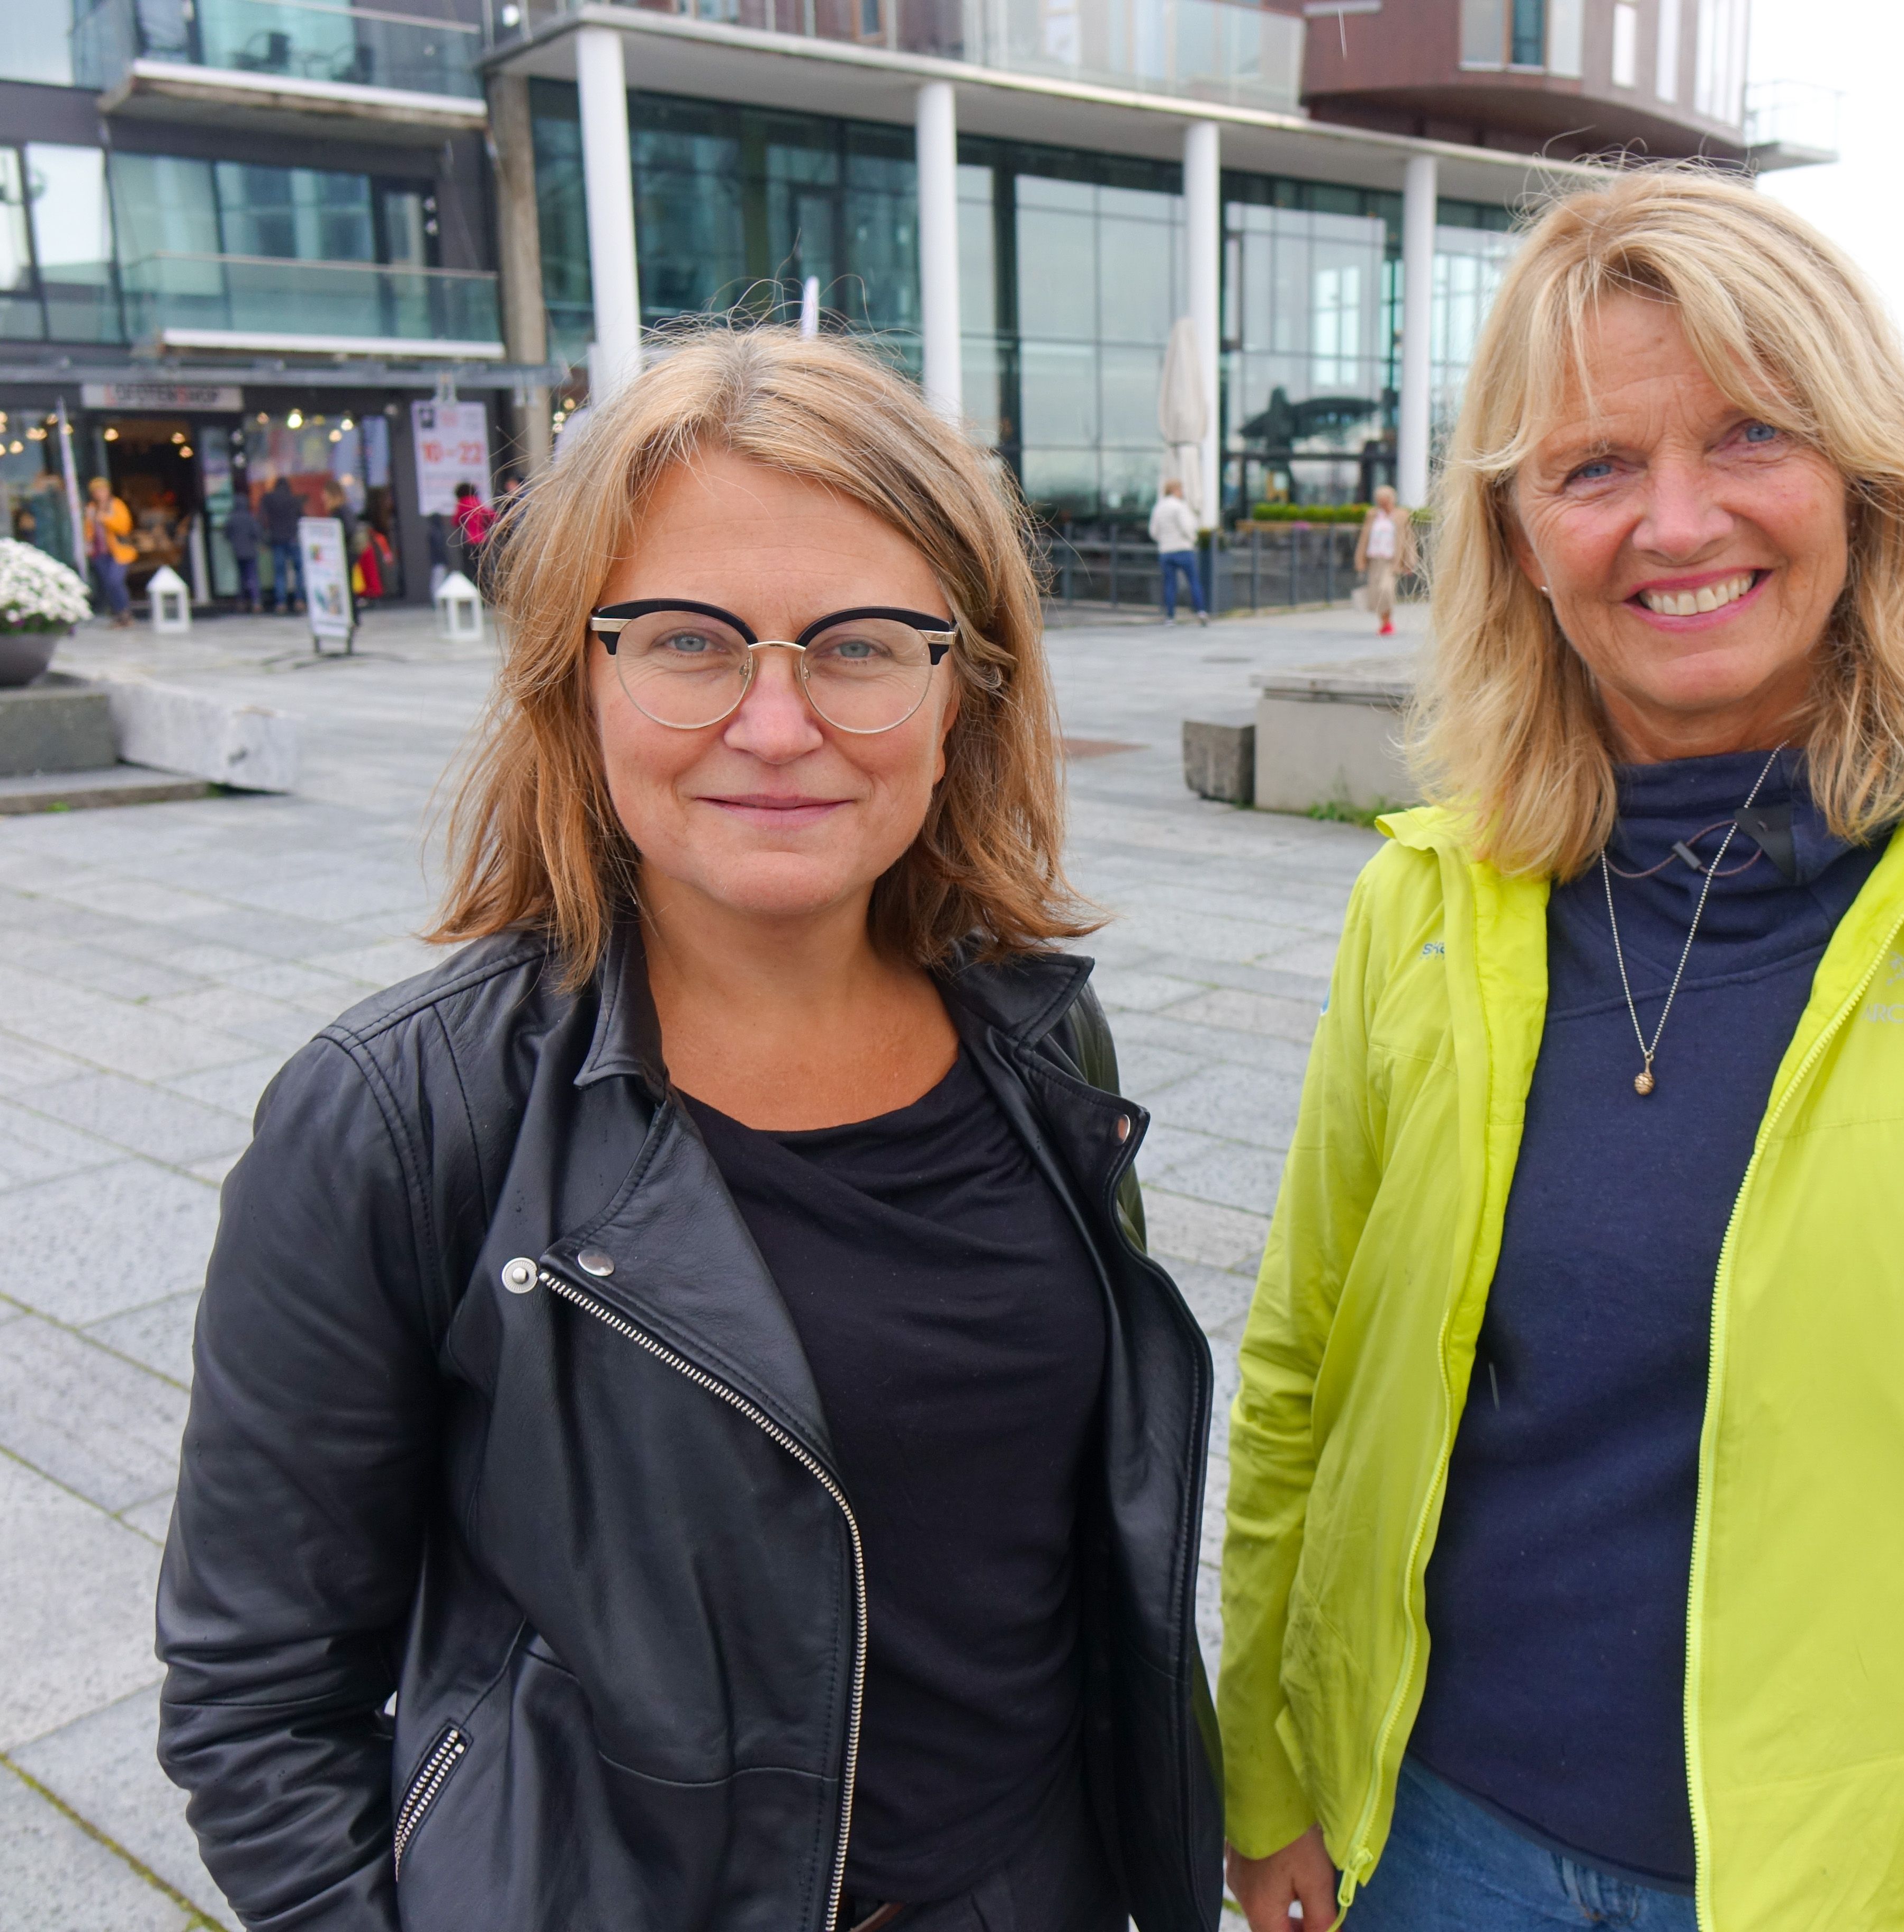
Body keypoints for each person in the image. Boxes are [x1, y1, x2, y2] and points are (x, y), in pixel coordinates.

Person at [1221, 166, 1904, 1932]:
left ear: (1865, 477)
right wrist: (1266, 1770)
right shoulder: (1431, 897)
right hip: (1430, 1843)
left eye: (1751, 436)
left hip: (1844, 1887)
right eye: (1594, 466)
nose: (1677, 520)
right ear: (1518, 531)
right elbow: (1301, 1377)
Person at [157, 327, 1224, 1932]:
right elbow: (258, 1701)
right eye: (686, 640)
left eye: (861, 645)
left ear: (964, 688)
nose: (776, 724)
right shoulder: (399, 1119)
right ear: (574, 679)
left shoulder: (1041, 1040)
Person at [1354, 484, 1417, 637]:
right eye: (1380, 502)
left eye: (1385, 501)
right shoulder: (1373, 515)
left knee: (1386, 590)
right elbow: (1364, 538)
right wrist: (1360, 560)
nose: (1383, 505)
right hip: (1374, 559)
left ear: (1392, 500)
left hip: (1391, 560)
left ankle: (1388, 620)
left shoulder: (1402, 516)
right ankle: (1384, 623)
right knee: (1376, 592)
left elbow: (1409, 539)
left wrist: (1410, 563)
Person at [83, 476, 136, 628]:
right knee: (108, 584)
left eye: (102, 490)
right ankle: (119, 615)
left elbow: (125, 527)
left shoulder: (117, 505)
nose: (100, 494)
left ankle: (125, 613)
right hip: (100, 553)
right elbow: (88, 530)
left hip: (119, 553)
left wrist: (106, 519)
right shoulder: (91, 508)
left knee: (115, 581)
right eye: (96, 491)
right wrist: (88, 546)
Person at [1151, 477, 1205, 624]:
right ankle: (1201, 612)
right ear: (1175, 490)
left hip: (1166, 551)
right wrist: (1193, 539)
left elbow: (1154, 531)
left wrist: (1164, 541)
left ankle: (1170, 617)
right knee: (1193, 581)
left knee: (1170, 584)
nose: (1182, 492)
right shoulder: (1180, 507)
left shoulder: (1159, 507)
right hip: (1183, 549)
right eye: (1181, 489)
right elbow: (1187, 527)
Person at [258, 475, 304, 613]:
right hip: (293, 538)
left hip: (277, 539)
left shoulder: (269, 499)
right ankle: (299, 600)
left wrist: (264, 539)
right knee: (299, 570)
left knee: (280, 573)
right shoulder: (293, 499)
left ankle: (281, 603)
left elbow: (261, 518)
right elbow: (302, 517)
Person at [223, 492, 262, 613]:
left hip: (238, 552)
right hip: (250, 552)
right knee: (253, 577)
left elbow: (226, 534)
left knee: (241, 577)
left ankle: (242, 602)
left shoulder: (232, 518)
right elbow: (256, 533)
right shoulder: (250, 517)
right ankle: (256, 602)